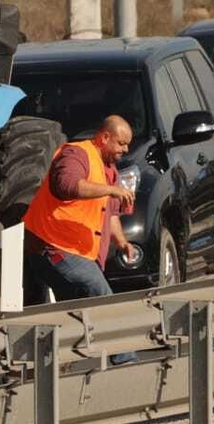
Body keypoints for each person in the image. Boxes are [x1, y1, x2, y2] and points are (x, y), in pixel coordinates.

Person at [21, 115, 137, 305]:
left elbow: (110, 215)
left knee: (75, 307)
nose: (125, 149)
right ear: (105, 137)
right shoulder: (76, 154)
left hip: (78, 252)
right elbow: (66, 186)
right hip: (55, 247)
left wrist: (122, 243)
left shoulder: (109, 169)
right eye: (121, 143)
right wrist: (112, 190)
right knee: (101, 297)